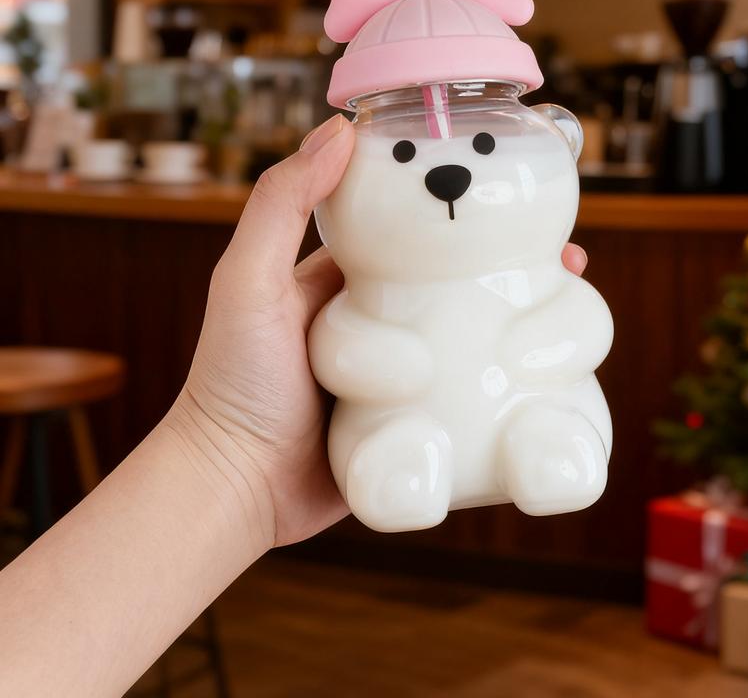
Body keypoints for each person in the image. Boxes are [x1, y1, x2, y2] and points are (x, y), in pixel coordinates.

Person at [0, 116, 590, 696]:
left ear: (558, 142)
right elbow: (341, 350)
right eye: (403, 154)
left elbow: (585, 326)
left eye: (486, 144)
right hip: (395, 419)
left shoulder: (543, 280)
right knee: (395, 431)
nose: (450, 176)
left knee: (542, 423)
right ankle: (402, 464)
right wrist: (378, 369)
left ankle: (546, 449)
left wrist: (541, 350)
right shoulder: (366, 293)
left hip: (529, 408)